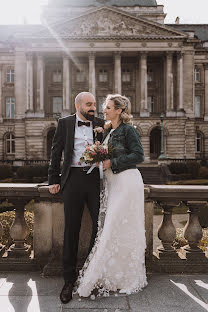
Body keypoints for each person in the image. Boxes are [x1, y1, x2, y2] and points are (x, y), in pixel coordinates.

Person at [76, 94, 147, 297]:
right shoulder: (108, 130)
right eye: (104, 107)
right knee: (115, 229)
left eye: (107, 107)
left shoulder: (128, 130)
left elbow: (139, 155)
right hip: (113, 184)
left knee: (120, 227)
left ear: (119, 110)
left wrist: (111, 163)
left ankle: (130, 278)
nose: (104, 110)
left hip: (126, 182)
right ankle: (115, 276)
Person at [48, 91, 104, 304]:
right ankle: (68, 280)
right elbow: (56, 152)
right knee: (72, 229)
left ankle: (89, 274)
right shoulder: (64, 123)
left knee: (100, 227)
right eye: (89, 104)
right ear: (77, 105)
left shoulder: (101, 124)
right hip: (72, 180)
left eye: (94, 104)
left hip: (95, 181)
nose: (93, 107)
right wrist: (53, 179)